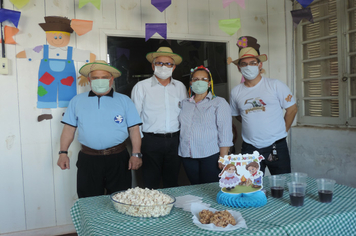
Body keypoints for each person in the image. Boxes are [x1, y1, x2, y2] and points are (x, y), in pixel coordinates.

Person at [57, 60, 142, 198]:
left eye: (104, 77)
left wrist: (136, 154)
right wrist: (63, 153)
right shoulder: (77, 101)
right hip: (88, 159)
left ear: (111, 79)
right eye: (95, 77)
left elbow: (134, 129)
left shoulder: (124, 100)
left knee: (120, 200)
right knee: (88, 200)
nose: (99, 80)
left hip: (118, 158)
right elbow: (68, 129)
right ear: (89, 79)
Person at [230, 36, 298, 175]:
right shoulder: (236, 92)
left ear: (260, 65)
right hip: (249, 147)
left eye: (253, 62)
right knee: (249, 185)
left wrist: (282, 130)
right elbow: (237, 115)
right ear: (239, 68)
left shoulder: (275, 85)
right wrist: (254, 121)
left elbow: (292, 109)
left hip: (276, 145)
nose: (248, 66)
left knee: (282, 185)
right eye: (244, 64)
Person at [131, 47, 187, 189]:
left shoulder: (180, 87)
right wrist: (137, 148)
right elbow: (134, 120)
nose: (164, 67)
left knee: (172, 181)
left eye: (168, 64)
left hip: (175, 140)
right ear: (153, 65)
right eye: (160, 63)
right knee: (150, 182)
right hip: (150, 141)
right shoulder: (141, 87)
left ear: (174, 67)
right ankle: (151, 211)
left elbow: (186, 113)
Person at [178, 65, 233, 184]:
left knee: (209, 189)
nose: (199, 82)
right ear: (191, 83)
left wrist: (223, 157)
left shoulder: (219, 102)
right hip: (187, 155)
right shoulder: (184, 103)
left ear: (209, 83)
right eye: (196, 79)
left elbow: (225, 131)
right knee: (195, 187)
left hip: (210, 155)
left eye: (204, 79)